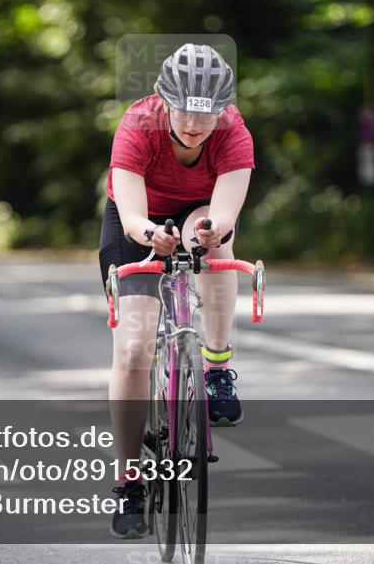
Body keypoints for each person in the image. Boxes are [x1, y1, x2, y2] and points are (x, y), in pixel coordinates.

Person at [99, 44, 254, 538]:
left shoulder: (233, 132)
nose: (193, 123)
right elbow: (130, 213)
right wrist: (149, 237)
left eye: (205, 115)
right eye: (184, 110)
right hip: (138, 216)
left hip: (198, 207)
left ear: (222, 110)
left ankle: (216, 366)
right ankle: (129, 481)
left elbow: (225, 211)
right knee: (135, 351)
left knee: (214, 242)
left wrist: (211, 230)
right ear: (164, 99)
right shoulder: (138, 123)